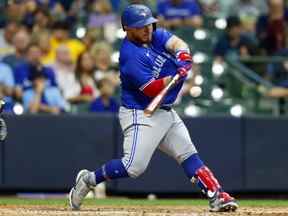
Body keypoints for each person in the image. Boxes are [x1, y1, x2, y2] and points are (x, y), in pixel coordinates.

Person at [69, 4, 238, 212]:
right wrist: (175, 77)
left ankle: (217, 195)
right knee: (133, 167)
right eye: (141, 26)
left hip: (165, 110)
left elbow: (178, 43)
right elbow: (151, 89)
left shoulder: (154, 35)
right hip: (140, 112)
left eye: (149, 24)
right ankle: (88, 179)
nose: (147, 29)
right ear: (128, 29)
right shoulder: (130, 56)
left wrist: (183, 55)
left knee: (188, 154)